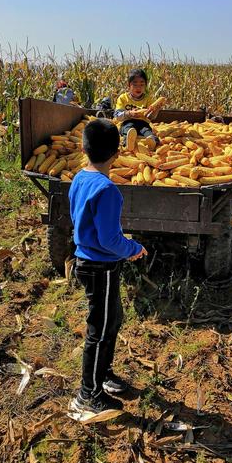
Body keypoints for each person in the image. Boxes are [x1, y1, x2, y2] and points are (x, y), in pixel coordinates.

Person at [69, 119, 147, 414]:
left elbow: (83, 221)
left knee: (112, 320)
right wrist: (133, 249)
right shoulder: (108, 190)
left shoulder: (79, 179)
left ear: (82, 148)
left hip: (91, 262)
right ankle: (87, 394)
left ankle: (104, 375)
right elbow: (110, 239)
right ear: (118, 152)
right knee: (99, 330)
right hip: (99, 267)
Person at [114, 68, 159, 151]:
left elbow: (151, 117)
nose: (138, 88)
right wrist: (129, 113)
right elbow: (117, 116)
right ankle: (128, 142)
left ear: (146, 85)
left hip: (143, 122)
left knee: (147, 131)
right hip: (127, 122)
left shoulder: (148, 99)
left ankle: (152, 141)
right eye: (135, 84)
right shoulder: (123, 98)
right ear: (129, 85)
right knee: (128, 129)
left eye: (142, 84)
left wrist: (156, 110)